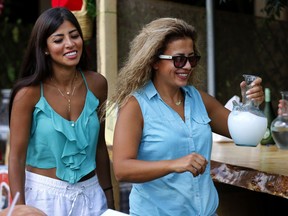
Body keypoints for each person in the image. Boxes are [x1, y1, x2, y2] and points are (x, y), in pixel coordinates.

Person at [107, 17, 264, 216]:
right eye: (179, 59)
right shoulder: (135, 106)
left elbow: (249, 137)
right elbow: (122, 169)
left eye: (192, 58)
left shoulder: (200, 101)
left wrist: (251, 104)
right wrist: (174, 164)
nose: (188, 66)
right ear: (155, 61)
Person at [8, 7, 114, 215]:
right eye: (58, 40)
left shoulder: (98, 84)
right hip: (41, 198)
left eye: (74, 36)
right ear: (44, 48)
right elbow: (16, 157)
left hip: (91, 197)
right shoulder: (27, 94)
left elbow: (100, 147)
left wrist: (109, 197)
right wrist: (19, 209)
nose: (70, 44)